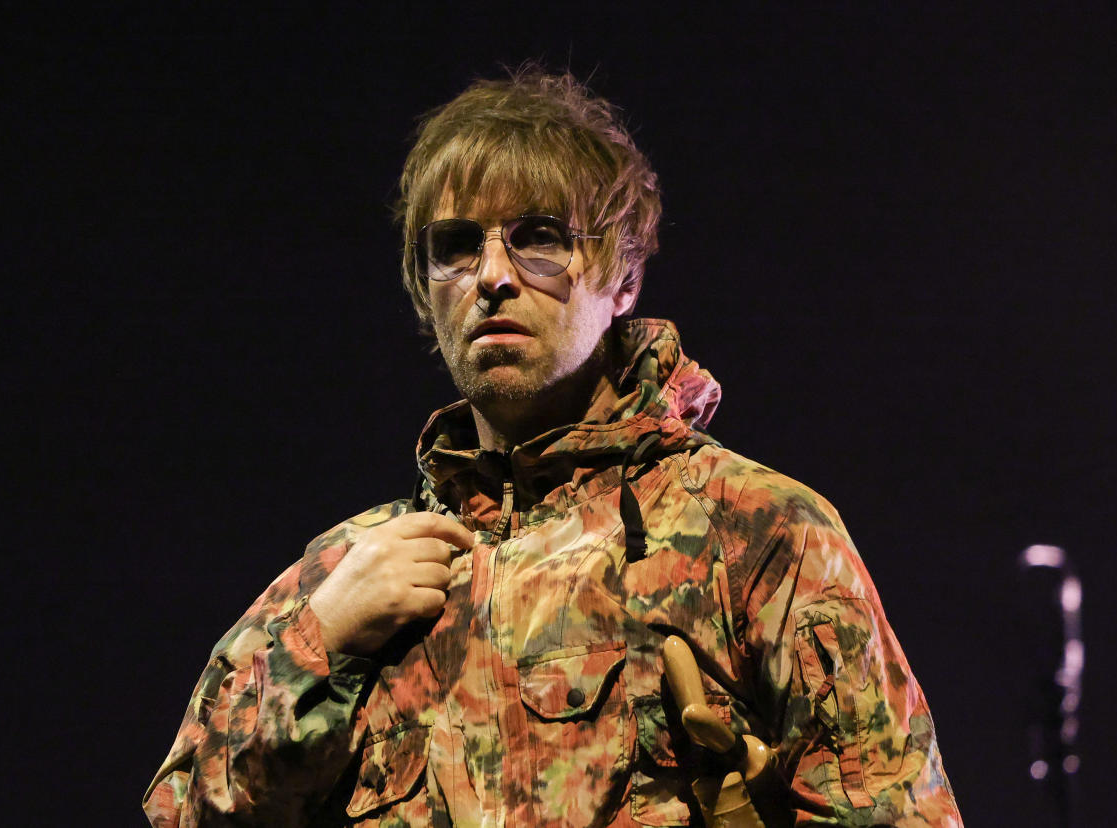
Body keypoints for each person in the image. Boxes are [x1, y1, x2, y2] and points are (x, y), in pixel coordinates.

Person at [144, 69, 962, 827]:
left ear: (625, 275)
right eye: (456, 246)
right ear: (425, 291)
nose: (492, 275)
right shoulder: (346, 574)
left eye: (538, 236)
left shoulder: (755, 536)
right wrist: (320, 640)